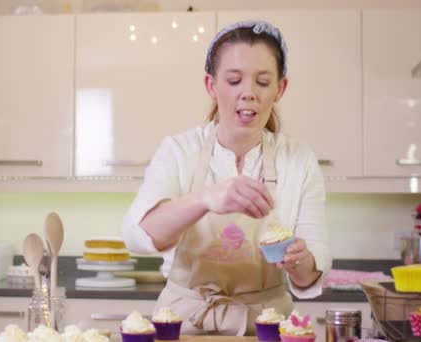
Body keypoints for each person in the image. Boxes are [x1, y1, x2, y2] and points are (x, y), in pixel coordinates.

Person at [121, 20, 331, 336]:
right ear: (211, 85)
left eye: (262, 82)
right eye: (234, 80)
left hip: (266, 327)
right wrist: (205, 198)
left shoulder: (299, 160)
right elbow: (138, 236)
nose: (248, 94)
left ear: (280, 89)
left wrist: (301, 260)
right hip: (183, 325)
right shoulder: (179, 150)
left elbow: (310, 272)